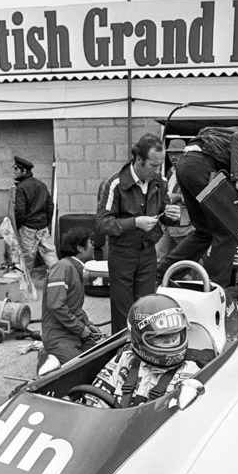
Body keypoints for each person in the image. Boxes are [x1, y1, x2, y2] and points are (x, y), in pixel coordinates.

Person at [156, 125, 238, 289]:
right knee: (226, 231)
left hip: (187, 166)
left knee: (204, 231)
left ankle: (161, 274)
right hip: (200, 166)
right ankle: (216, 289)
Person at [95, 133, 180, 334]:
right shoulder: (115, 184)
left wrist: (172, 215)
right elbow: (101, 223)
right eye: (153, 165)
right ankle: (121, 352)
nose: (158, 170)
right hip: (122, 253)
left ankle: (145, 352)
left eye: (160, 165)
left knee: (147, 308)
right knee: (123, 310)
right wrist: (135, 223)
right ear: (139, 160)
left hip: (148, 253)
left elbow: (164, 212)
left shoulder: (160, 181)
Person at [85, 293, 199, 408]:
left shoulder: (191, 374)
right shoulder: (124, 360)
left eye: (174, 335)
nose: (169, 341)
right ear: (137, 338)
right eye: (160, 337)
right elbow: (93, 404)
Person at [38, 227, 102, 375]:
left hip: (73, 333)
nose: (93, 246)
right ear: (80, 248)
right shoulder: (62, 267)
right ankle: (47, 357)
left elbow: (74, 307)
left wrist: (88, 325)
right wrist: (80, 329)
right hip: (58, 336)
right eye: (90, 242)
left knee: (99, 360)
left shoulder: (74, 268)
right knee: (80, 370)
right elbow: (56, 305)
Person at [12, 155, 58, 275]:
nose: (14, 172)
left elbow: (20, 212)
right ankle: (59, 280)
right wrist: (45, 222)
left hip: (28, 229)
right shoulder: (41, 185)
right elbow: (50, 206)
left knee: (26, 261)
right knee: (50, 256)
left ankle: (26, 290)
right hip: (42, 227)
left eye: (16, 169)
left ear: (24, 171)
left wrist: (17, 227)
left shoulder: (21, 188)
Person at [155, 138, 194, 262]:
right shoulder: (171, 172)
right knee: (160, 256)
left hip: (185, 226)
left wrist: (173, 197)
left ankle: (200, 281)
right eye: (171, 153)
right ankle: (162, 281)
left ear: (184, 154)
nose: (173, 157)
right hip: (168, 225)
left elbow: (193, 197)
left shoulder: (191, 172)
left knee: (190, 260)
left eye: (177, 153)